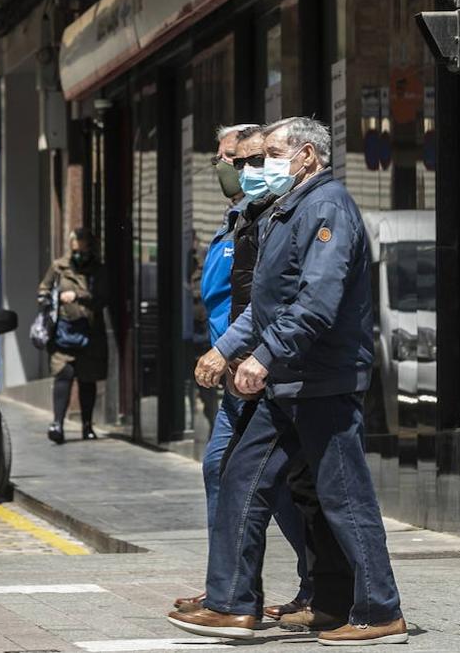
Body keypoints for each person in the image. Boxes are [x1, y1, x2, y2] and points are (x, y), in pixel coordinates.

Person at [169, 117, 406, 646]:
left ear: (306, 156)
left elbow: (316, 303)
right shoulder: (285, 212)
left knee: (344, 497)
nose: (259, 166)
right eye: (251, 159)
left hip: (321, 381)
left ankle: (380, 611)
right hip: (288, 384)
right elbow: (264, 306)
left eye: (270, 154)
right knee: (240, 480)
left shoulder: (326, 208)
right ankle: (232, 606)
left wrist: (265, 358)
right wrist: (225, 349)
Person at [174, 124, 314, 617]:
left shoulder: (281, 215)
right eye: (226, 161)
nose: (229, 170)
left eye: (237, 160)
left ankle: (252, 593)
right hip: (237, 366)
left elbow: (282, 301)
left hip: (261, 369)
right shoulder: (239, 216)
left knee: (263, 480)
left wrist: (248, 354)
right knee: (239, 475)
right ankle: (229, 589)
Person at [38, 228, 108, 444]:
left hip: (90, 332)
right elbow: (43, 290)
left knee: (87, 378)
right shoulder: (59, 267)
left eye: (82, 246)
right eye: (74, 247)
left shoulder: (98, 270)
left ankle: (87, 425)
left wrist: (78, 296)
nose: (78, 251)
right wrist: (51, 301)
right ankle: (57, 423)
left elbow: (102, 298)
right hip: (63, 332)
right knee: (64, 373)